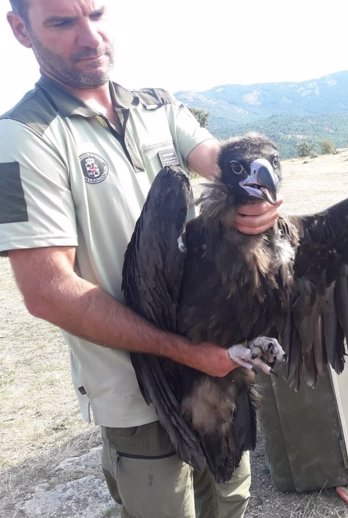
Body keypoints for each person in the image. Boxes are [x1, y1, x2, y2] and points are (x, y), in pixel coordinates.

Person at [0, 1, 281, 516]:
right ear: (20, 29)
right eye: (62, 22)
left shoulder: (155, 106)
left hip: (219, 360)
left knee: (231, 498)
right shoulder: (24, 137)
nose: (90, 37)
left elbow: (220, 161)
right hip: (136, 386)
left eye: (97, 13)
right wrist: (187, 352)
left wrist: (257, 194)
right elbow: (47, 291)